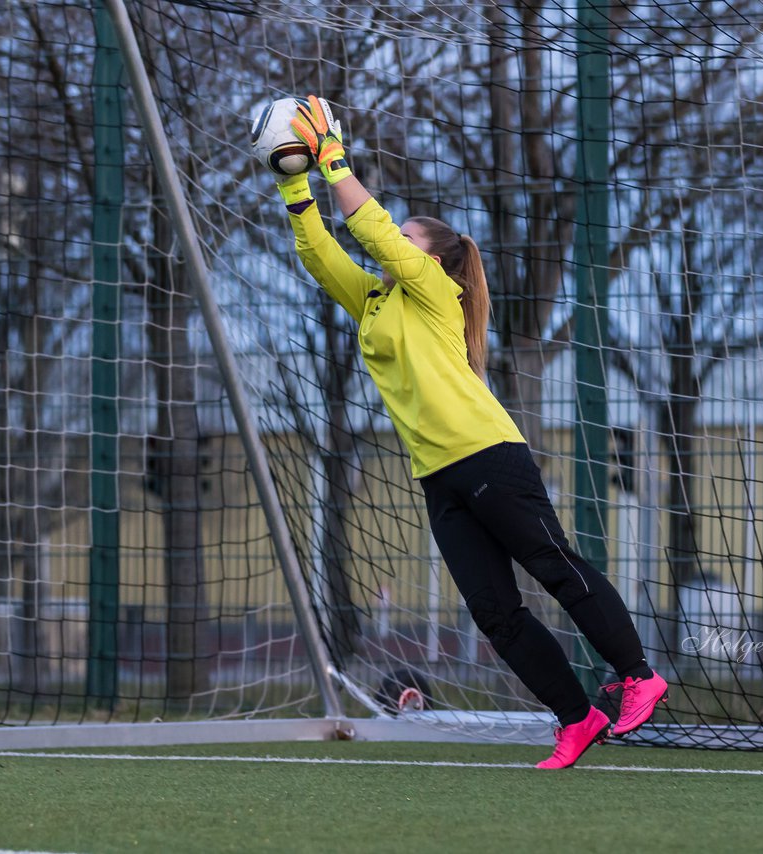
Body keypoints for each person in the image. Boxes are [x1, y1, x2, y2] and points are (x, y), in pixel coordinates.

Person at [273, 95, 669, 769]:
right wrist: (291, 178)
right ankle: (577, 717)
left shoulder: (433, 288)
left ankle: (637, 673)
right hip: (438, 476)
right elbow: (318, 252)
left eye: (406, 236)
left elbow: (370, 229)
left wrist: (332, 154)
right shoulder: (374, 302)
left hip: (489, 453)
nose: (394, 239)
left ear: (428, 255)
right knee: (495, 613)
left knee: (554, 567)